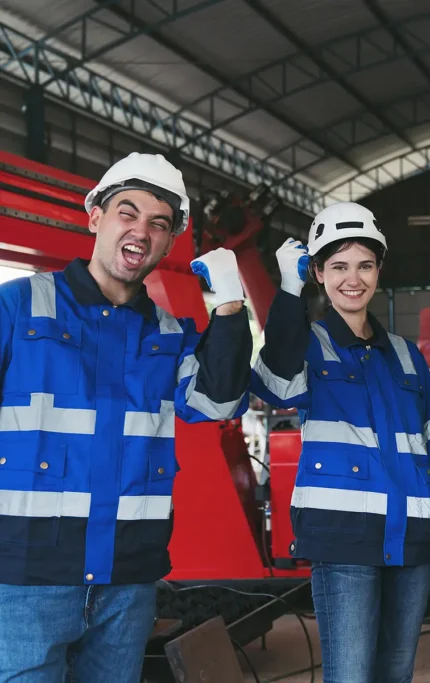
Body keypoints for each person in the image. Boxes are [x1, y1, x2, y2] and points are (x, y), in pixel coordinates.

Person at [0, 152, 253, 683]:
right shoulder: (19, 307)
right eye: (127, 212)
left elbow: (219, 403)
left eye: (159, 224)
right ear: (95, 216)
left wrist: (230, 306)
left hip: (128, 581)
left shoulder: (170, 333)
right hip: (26, 579)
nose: (141, 231)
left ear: (168, 242)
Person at [250, 202, 430, 683]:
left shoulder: (407, 356)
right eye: (338, 266)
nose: (353, 278)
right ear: (318, 274)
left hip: (413, 542)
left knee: (395, 674)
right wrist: (286, 289)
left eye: (364, 265)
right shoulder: (308, 345)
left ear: (378, 271)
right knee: (349, 676)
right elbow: (276, 384)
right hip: (344, 542)